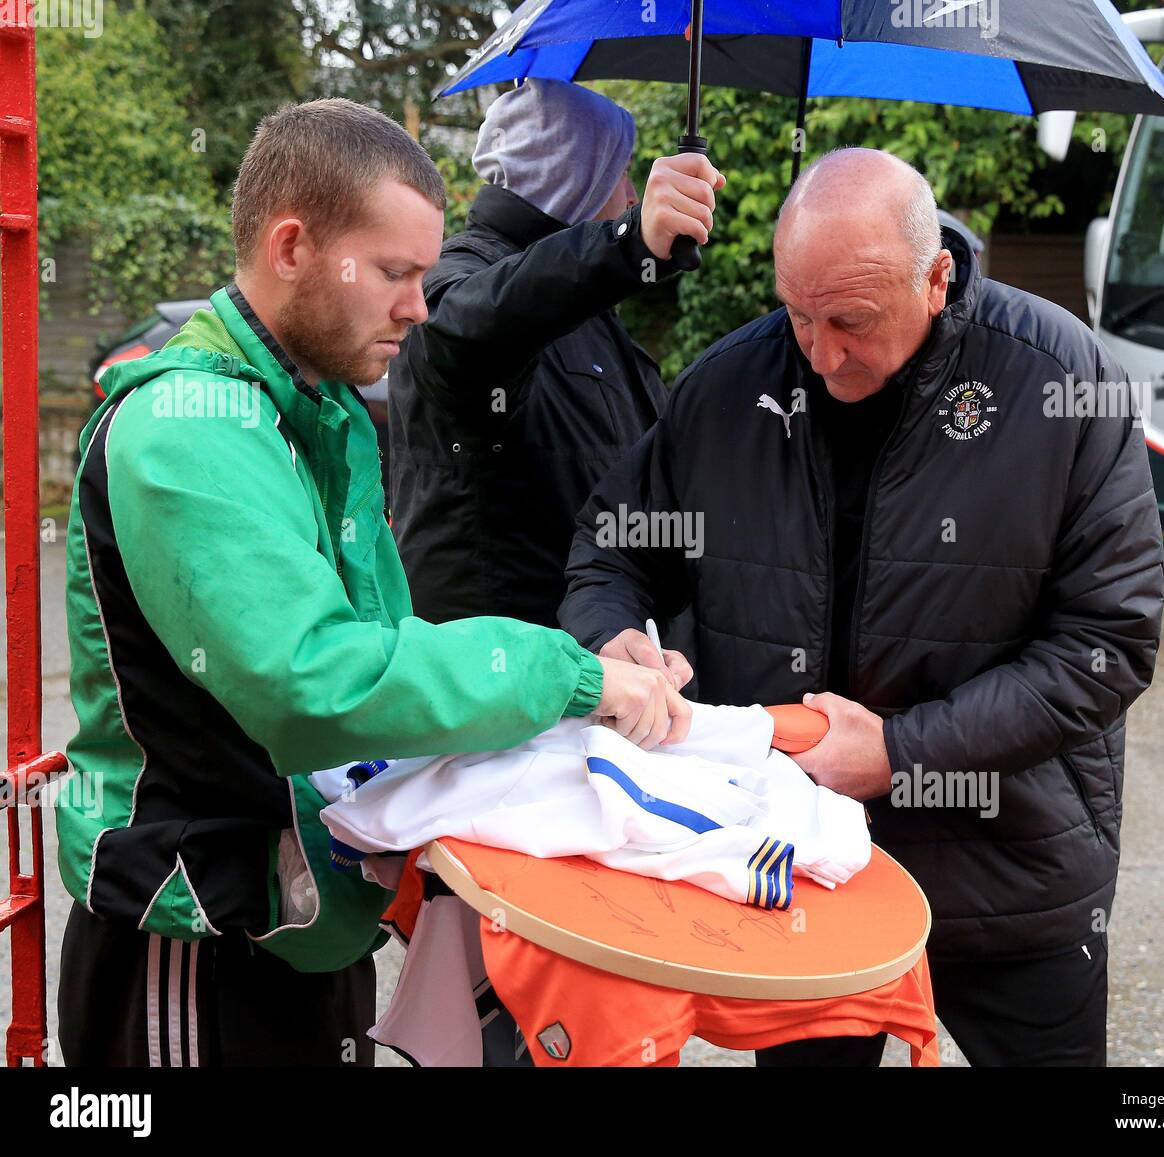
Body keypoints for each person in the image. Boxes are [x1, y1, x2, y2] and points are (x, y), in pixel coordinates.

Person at [56, 97, 689, 1068]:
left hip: (301, 922)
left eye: (425, 274)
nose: (420, 306)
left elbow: (386, 660)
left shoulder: (320, 407)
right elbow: (317, 680)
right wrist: (571, 676)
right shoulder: (188, 426)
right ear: (293, 246)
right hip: (195, 944)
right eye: (394, 272)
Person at [560, 148, 1164, 1067]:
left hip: (1011, 867)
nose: (821, 351)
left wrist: (899, 752)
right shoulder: (729, 387)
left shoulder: (1062, 382)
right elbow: (614, 544)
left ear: (937, 278)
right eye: (799, 312)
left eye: (852, 320)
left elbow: (1109, 643)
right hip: (798, 861)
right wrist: (609, 636)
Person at [388, 78, 724, 638]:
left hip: (597, 662)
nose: (634, 194)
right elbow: (472, 327)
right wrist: (629, 241)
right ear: (573, 177)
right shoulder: (456, 282)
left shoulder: (582, 304)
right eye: (621, 171)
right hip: (498, 686)